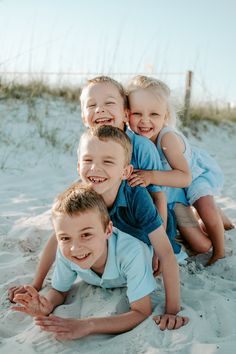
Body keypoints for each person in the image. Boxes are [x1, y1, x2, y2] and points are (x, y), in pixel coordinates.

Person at [9, 75, 175, 301]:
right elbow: (60, 233)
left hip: (145, 218)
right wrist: (36, 284)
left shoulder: (141, 147)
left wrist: (156, 247)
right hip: (108, 219)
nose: (100, 110)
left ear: (125, 112)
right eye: (92, 105)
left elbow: (159, 197)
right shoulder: (90, 146)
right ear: (83, 116)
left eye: (109, 103)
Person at [12, 183, 189, 338]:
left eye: (86, 235)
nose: (75, 248)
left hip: (160, 235)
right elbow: (59, 291)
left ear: (108, 230)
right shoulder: (66, 251)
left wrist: (88, 325)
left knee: (188, 238)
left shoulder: (131, 252)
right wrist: (46, 305)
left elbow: (141, 311)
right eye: (65, 238)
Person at [127, 75, 231, 265]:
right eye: (137, 113)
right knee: (200, 246)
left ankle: (219, 251)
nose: (145, 121)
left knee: (205, 206)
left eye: (154, 114)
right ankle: (217, 218)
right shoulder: (134, 141)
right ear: (127, 113)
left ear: (165, 116)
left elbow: (185, 178)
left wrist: (150, 176)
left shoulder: (167, 140)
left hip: (191, 175)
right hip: (172, 191)